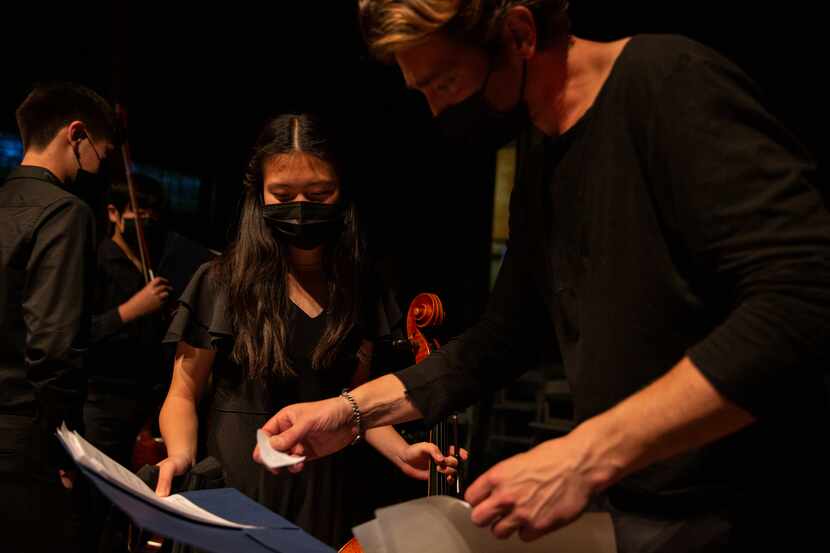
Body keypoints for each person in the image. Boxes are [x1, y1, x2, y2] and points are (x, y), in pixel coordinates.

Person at [254, 2, 830, 551]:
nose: (435, 112)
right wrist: (351, 411)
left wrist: (584, 454)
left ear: (521, 34)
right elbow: (499, 341)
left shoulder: (668, 82)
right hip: (640, 508)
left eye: (445, 83)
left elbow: (800, 301)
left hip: (743, 510)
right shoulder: (542, 156)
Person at [156, 113, 463, 547]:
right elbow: (182, 393)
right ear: (258, 196)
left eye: (319, 194)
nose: (300, 207)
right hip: (238, 485)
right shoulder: (219, 282)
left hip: (327, 489)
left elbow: (357, 405)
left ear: (342, 194)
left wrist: (402, 451)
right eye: (282, 195)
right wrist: (181, 456)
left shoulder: (360, 287)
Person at [0, 81, 115, 552]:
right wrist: (65, 448)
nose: (100, 168)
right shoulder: (65, 212)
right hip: (23, 438)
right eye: (101, 155)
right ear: (77, 135)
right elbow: (53, 346)